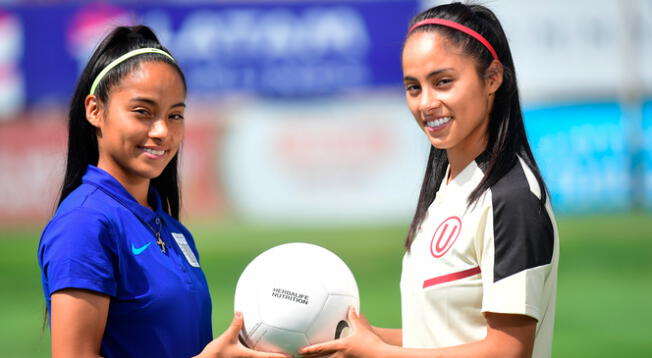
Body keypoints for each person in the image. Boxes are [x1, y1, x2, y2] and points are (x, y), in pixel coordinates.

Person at [299, 3, 559, 358]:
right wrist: (356, 338)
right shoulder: (450, 188)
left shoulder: (510, 198)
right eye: (413, 87)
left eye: (443, 82)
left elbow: (507, 350)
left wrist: (377, 353)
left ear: (493, 78)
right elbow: (440, 335)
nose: (426, 103)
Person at [37, 25, 289, 358]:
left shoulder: (169, 227)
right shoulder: (84, 224)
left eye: (175, 115)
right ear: (95, 110)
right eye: (143, 112)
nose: (162, 132)